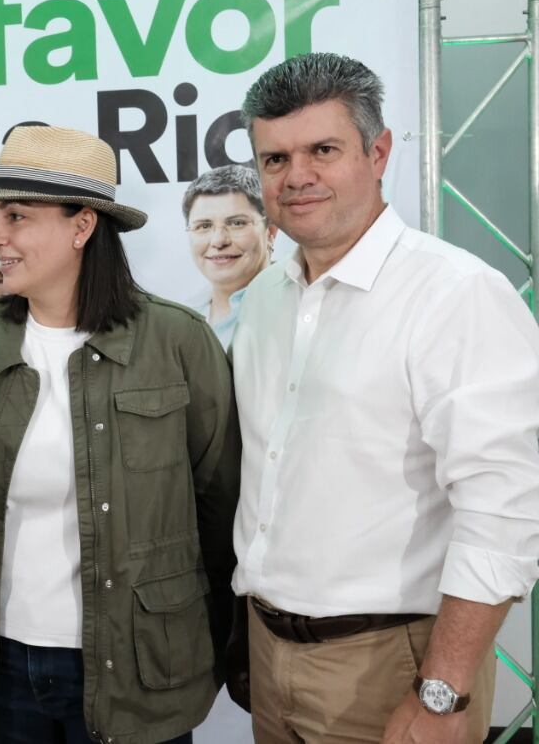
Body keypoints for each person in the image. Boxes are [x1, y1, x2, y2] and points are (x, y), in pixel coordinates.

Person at [230, 52, 539, 743]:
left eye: (323, 150)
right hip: (269, 653)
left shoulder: (455, 295)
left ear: (379, 152)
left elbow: (505, 509)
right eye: (274, 158)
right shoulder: (264, 300)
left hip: (395, 664)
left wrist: (442, 692)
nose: (296, 175)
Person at [0, 125, 241, 744]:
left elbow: (222, 504)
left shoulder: (178, 341)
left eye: (17, 216)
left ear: (82, 227)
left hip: (135, 666)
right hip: (0, 666)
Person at [181, 164, 276, 347]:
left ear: (271, 232)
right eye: (204, 226)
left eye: (236, 223)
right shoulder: (181, 318)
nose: (218, 241)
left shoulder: (298, 309)